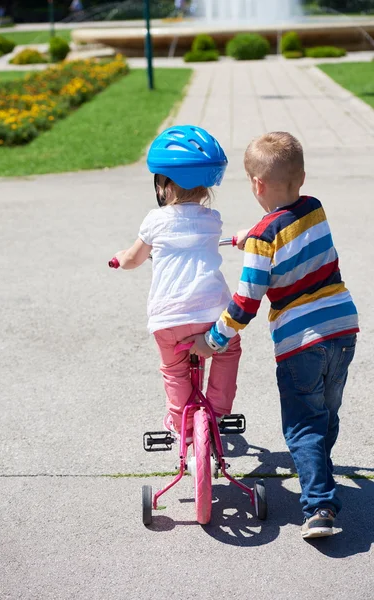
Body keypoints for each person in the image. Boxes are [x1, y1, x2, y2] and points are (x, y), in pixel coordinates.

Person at [184, 131, 359, 539]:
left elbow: (246, 303)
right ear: (300, 177)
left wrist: (212, 341)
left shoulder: (262, 239)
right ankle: (322, 475)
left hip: (301, 343)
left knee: (302, 425)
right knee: (325, 413)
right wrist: (259, 233)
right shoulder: (314, 209)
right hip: (343, 329)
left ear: (256, 185)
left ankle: (318, 508)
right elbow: (286, 229)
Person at [113, 125, 241, 443]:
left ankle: (180, 422)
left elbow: (132, 259)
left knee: (174, 369)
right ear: (207, 186)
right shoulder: (213, 220)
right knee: (228, 351)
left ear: (164, 185)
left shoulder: (154, 221)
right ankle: (218, 411)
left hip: (168, 318)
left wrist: (120, 258)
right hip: (213, 313)